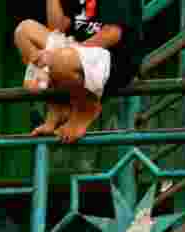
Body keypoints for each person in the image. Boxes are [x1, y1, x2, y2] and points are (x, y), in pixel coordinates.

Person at [15, 0, 143, 143]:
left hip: (114, 59)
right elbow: (58, 28)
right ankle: (58, 106)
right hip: (77, 52)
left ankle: (86, 108)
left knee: (61, 59)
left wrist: (68, 52)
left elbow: (112, 34)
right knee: (24, 31)